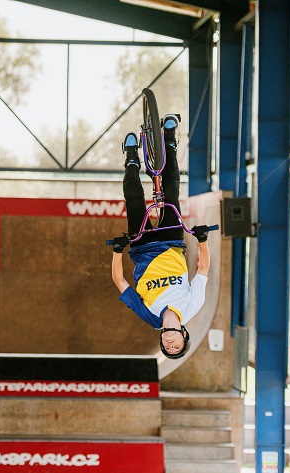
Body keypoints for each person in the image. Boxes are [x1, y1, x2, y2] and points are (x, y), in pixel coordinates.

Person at [110, 114, 210, 359]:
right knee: (172, 193)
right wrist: (202, 240)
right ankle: (169, 139)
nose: (170, 344)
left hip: (141, 249)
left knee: (134, 203)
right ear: (184, 334)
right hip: (172, 244)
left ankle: (132, 157)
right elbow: (203, 269)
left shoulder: (150, 317)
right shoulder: (192, 307)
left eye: (168, 348)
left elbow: (119, 282)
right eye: (176, 346)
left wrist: (117, 251)